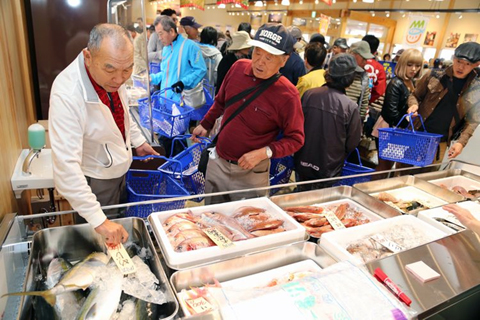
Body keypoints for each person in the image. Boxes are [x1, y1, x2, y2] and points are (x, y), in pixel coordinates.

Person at [49, 24, 159, 245]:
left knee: (119, 231)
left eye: (127, 69)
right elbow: (65, 167)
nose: (119, 79)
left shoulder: (113, 75)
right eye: (110, 70)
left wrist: (137, 141)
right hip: (94, 181)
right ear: (88, 57)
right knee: (100, 240)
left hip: (120, 169)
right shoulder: (67, 93)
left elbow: (122, 112)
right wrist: (99, 219)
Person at [192, 23, 305, 204]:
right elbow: (221, 101)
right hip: (218, 161)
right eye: (257, 52)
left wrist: (264, 153)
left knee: (246, 225)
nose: (259, 62)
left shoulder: (288, 95)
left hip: (251, 173)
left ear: (284, 60)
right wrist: (206, 124)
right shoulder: (237, 68)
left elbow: (296, 139)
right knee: (211, 218)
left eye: (269, 58)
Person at [294, 54, 362, 190]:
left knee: (299, 200)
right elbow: (352, 143)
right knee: (320, 206)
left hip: (302, 161)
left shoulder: (309, 94)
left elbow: (297, 125)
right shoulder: (349, 106)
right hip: (329, 167)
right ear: (350, 79)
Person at [407, 42, 480, 161]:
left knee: (427, 177)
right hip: (416, 133)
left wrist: (461, 142)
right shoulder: (434, 74)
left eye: (467, 64)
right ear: (453, 58)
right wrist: (413, 105)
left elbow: (473, 121)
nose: (461, 67)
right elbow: (414, 95)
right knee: (402, 174)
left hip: (440, 142)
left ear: (476, 64)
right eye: (459, 62)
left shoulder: (476, 88)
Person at [375, 48, 423, 171]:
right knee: (384, 166)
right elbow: (390, 113)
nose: (414, 69)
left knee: (391, 166)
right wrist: (408, 121)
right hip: (390, 128)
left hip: (398, 127)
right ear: (402, 64)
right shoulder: (396, 83)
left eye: (417, 65)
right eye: (410, 65)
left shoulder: (411, 82)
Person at [150, 16, 206, 102]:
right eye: (158, 35)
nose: (159, 38)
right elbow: (166, 73)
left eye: (161, 34)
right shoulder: (166, 49)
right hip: (164, 101)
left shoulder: (190, 46)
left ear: (172, 31)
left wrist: (183, 83)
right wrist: (152, 78)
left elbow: (201, 70)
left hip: (181, 103)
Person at [215, 31, 252, 95]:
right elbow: (221, 82)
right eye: (247, 46)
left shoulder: (248, 58)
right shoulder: (227, 60)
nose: (249, 48)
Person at [347, 40, 372, 122]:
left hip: (351, 119)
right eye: (363, 58)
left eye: (366, 59)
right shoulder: (340, 71)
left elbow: (364, 102)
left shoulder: (364, 77)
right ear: (353, 54)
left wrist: (360, 121)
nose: (365, 62)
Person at [362, 35, 387, 104]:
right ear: (375, 50)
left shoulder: (353, 61)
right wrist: (368, 100)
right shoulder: (379, 68)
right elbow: (379, 90)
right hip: (366, 103)